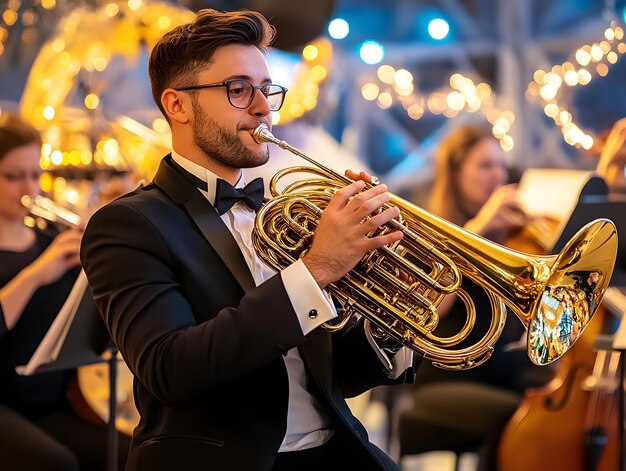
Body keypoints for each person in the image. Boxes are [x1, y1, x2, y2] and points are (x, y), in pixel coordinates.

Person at [79, 9, 415, 471]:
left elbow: (337, 376)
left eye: (267, 89)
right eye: (238, 90)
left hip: (334, 452)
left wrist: (393, 304)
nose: (263, 107)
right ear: (177, 105)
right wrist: (316, 270)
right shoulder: (127, 225)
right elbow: (170, 369)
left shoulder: (290, 213)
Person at [396, 124, 553, 471]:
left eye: (501, 165)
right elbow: (425, 312)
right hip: (444, 379)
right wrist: (479, 228)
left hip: (503, 371)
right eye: (484, 166)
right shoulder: (432, 230)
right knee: (523, 419)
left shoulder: (517, 236)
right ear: (455, 172)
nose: (497, 176)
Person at [0, 112, 128, 470]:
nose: (29, 188)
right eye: (13, 176)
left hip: (53, 400)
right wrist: (34, 275)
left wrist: (100, 243)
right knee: (54, 462)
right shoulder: (45, 258)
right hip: (5, 403)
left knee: (129, 453)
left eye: (35, 174)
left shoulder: (50, 242)